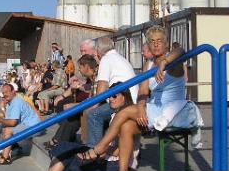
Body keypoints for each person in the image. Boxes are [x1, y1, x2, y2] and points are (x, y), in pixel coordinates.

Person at [86, 26, 202, 163]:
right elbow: (143, 91)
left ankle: (99, 149)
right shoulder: (149, 64)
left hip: (175, 111)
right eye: (152, 41)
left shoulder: (174, 62)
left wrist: (164, 62)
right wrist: (141, 107)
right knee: (126, 126)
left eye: (159, 40)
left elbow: (181, 50)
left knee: (123, 112)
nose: (156, 44)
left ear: (166, 43)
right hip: (155, 110)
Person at [47, 82, 140, 171]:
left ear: (124, 97)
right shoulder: (114, 115)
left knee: (72, 162)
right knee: (63, 147)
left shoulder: (127, 119)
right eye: (109, 96)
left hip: (117, 163)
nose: (111, 99)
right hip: (106, 156)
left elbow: (120, 151)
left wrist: (98, 151)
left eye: (114, 96)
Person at [82, 37, 138, 146]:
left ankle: (94, 149)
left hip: (124, 102)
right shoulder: (120, 58)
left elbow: (102, 86)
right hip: (129, 99)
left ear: (98, 50)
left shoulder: (106, 59)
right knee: (97, 111)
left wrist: (94, 104)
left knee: (93, 115)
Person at [44, 54, 98, 148]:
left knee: (71, 115)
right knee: (68, 114)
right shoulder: (92, 78)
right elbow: (90, 94)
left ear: (86, 67)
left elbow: (95, 100)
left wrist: (76, 105)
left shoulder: (97, 77)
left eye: (80, 67)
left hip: (95, 107)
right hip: (88, 104)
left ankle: (57, 141)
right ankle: (59, 140)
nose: (79, 70)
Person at [0, 83, 40, 165]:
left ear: (13, 92)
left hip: (35, 127)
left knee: (8, 129)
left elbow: (13, 122)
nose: (5, 95)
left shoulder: (16, 102)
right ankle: (13, 148)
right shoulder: (11, 102)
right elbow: (7, 117)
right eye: (3, 93)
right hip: (27, 125)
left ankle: (5, 158)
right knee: (4, 127)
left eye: (7, 92)